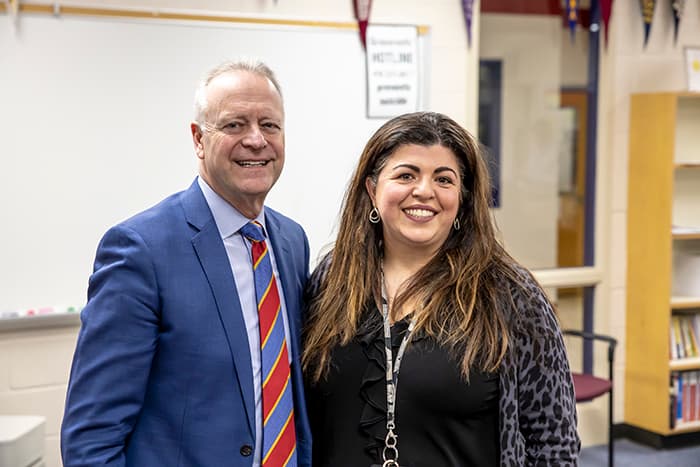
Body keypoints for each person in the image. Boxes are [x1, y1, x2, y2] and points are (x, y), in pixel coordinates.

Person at [61, 60, 311, 467]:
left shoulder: (290, 241)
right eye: (234, 125)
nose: (256, 140)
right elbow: (92, 435)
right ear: (198, 139)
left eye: (270, 125)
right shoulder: (140, 250)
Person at [302, 111, 580, 466]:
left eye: (444, 180)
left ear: (462, 198)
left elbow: (554, 442)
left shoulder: (511, 294)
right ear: (373, 189)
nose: (424, 191)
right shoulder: (331, 280)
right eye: (406, 175)